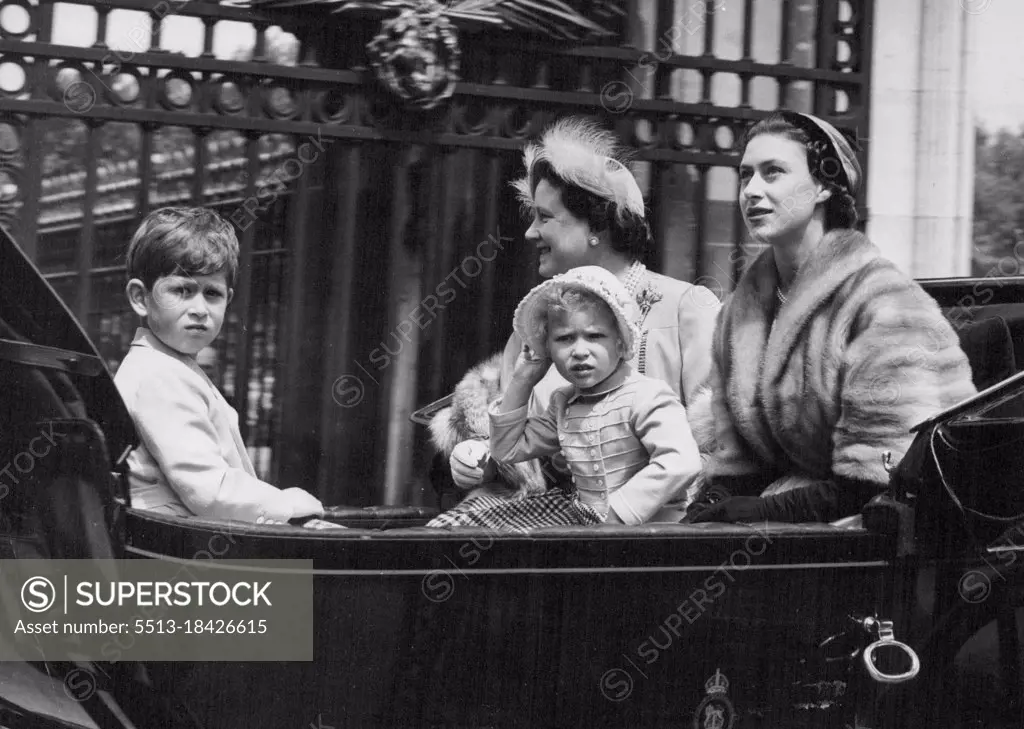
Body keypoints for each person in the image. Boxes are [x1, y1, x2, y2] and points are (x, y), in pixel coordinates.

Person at [685, 111, 977, 524]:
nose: (751, 191)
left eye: (773, 173)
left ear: (822, 185)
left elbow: (876, 479)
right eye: (745, 175)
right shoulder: (741, 312)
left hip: (881, 532)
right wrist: (699, 518)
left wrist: (751, 511)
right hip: (786, 520)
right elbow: (736, 465)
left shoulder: (884, 303)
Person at [429, 117, 721, 519]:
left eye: (545, 217)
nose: (531, 233)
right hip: (555, 523)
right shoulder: (538, 320)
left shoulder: (688, 308)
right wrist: (477, 459)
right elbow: (520, 451)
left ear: (597, 225)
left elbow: (712, 453)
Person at [428, 267, 702, 530]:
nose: (580, 351)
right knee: (458, 527)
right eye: (565, 339)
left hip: (655, 530)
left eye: (595, 336)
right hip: (589, 525)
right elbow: (507, 451)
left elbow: (681, 462)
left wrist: (617, 514)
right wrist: (524, 379)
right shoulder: (564, 404)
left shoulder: (648, 395)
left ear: (621, 342)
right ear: (548, 349)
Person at [114, 206, 324, 523]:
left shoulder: (167, 366)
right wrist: (285, 503)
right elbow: (209, 490)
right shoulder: (159, 376)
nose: (199, 309)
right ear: (140, 298)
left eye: (211, 293)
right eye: (181, 290)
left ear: (228, 298)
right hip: (175, 547)